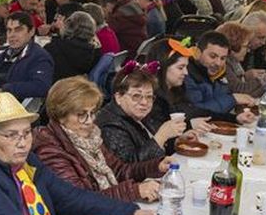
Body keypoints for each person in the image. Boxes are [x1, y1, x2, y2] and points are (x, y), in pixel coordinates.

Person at [0, 92, 155, 215]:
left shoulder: (27, 161)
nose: (23, 143)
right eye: (12, 135)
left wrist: (132, 212)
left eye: (26, 133)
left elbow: (71, 197)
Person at [33, 76, 168, 202]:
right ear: (60, 116)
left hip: (106, 210)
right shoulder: (50, 150)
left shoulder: (90, 138)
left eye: (92, 113)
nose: (89, 121)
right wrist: (134, 191)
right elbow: (79, 200)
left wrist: (156, 166)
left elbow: (120, 171)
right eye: (81, 114)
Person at [97, 65, 189, 162]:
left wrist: (176, 141)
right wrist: (162, 136)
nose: (144, 102)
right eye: (136, 96)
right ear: (119, 97)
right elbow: (129, 167)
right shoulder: (110, 126)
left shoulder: (136, 114)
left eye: (149, 96)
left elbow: (150, 143)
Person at [184, 31, 257, 124]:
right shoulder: (187, 74)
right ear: (198, 53)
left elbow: (218, 108)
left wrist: (237, 117)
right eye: (213, 56)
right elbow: (196, 111)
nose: (218, 63)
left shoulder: (220, 74)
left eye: (223, 58)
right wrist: (232, 99)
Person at [0, 12, 53, 100]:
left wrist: (6, 89)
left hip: (16, 108)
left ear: (31, 31)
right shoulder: (5, 53)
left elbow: (41, 86)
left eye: (18, 30)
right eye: (9, 30)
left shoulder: (39, 57)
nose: (12, 35)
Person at [45, 11, 101, 82]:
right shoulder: (94, 53)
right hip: (79, 89)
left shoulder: (53, 48)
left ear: (68, 25)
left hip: (57, 89)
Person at [216, 21, 266, 98]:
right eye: (245, 46)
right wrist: (265, 80)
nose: (248, 50)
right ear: (234, 45)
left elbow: (248, 94)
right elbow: (240, 90)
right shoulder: (224, 65)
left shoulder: (234, 61)